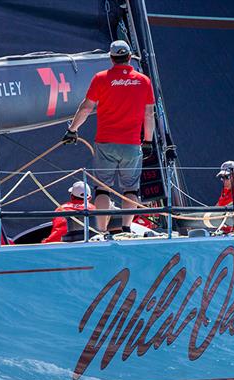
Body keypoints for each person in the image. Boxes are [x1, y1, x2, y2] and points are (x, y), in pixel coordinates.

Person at [63, 40, 155, 236]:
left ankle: (102, 231)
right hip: (131, 144)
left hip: (105, 142)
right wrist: (147, 141)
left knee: (102, 189)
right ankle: (126, 229)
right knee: (131, 188)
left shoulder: (101, 78)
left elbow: (87, 107)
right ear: (130, 57)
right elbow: (149, 114)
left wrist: (73, 129)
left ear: (111, 58)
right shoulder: (143, 81)